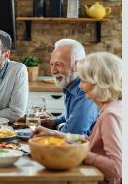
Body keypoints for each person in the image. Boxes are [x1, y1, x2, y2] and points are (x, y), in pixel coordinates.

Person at [32, 52, 122, 184]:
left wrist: (79, 153)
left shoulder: (110, 115)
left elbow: (117, 168)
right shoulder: (114, 106)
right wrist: (53, 134)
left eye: (84, 80)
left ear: (99, 83)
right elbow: (90, 141)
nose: (80, 86)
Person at [41, 39, 98, 135]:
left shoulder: (85, 91)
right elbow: (72, 116)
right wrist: (54, 122)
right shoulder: (71, 85)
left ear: (77, 65)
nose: (53, 71)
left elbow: (73, 134)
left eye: (59, 64)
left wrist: (56, 127)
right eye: (52, 64)